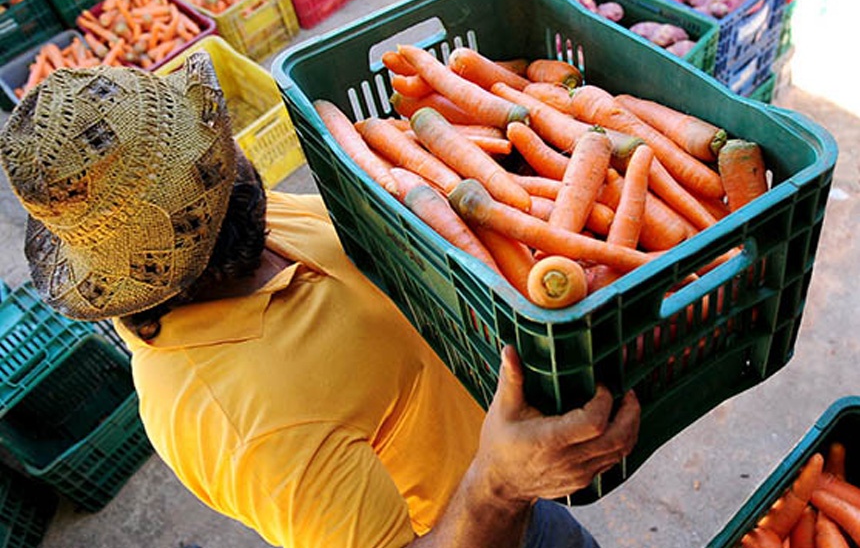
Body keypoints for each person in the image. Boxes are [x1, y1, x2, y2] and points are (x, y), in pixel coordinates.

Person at [0, 55, 640, 548]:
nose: (240, 159)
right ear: (207, 222)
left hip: (512, 451)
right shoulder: (252, 431)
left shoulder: (241, 229)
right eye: (219, 164)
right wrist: (502, 486)